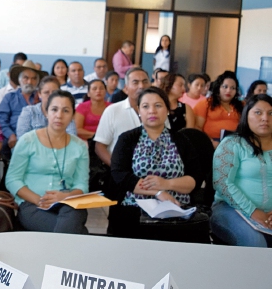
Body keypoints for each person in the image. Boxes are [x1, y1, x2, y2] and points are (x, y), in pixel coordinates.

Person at [109, 87, 203, 241]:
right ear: (139, 110)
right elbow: (120, 176)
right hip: (134, 207)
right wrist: (158, 192)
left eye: (158, 106)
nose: (152, 111)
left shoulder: (181, 140)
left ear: (167, 109)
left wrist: (167, 184)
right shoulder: (127, 139)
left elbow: (195, 178)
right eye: (146, 106)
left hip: (176, 208)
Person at [6, 91, 89, 234]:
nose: (59, 115)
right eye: (54, 109)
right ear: (46, 112)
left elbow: (81, 184)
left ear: (73, 115)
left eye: (66, 111)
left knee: (74, 214)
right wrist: (40, 200)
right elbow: (12, 179)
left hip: (68, 203)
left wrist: (64, 197)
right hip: (32, 204)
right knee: (76, 232)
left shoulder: (80, 146)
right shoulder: (28, 140)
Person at [211, 94, 272, 247]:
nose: (265, 118)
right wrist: (253, 211)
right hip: (230, 208)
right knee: (254, 242)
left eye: (271, 113)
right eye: (258, 112)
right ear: (247, 116)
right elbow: (222, 184)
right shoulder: (232, 144)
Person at [94, 68, 151, 167]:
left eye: (145, 82)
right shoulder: (112, 110)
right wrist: (117, 169)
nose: (141, 86)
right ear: (126, 88)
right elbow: (100, 146)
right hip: (120, 173)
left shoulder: (158, 111)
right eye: (135, 82)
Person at [0, 60, 43, 160]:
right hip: (15, 138)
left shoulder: (42, 98)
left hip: (40, 139)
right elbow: (1, 120)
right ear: (19, 80)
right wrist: (10, 135)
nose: (30, 82)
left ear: (38, 82)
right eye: (26, 78)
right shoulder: (9, 97)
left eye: (34, 78)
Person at [194, 70, 243, 147]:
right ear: (218, 87)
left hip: (237, 144)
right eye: (225, 87)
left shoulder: (242, 105)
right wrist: (210, 142)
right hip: (210, 143)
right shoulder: (205, 103)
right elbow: (197, 127)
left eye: (233, 88)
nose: (228, 90)